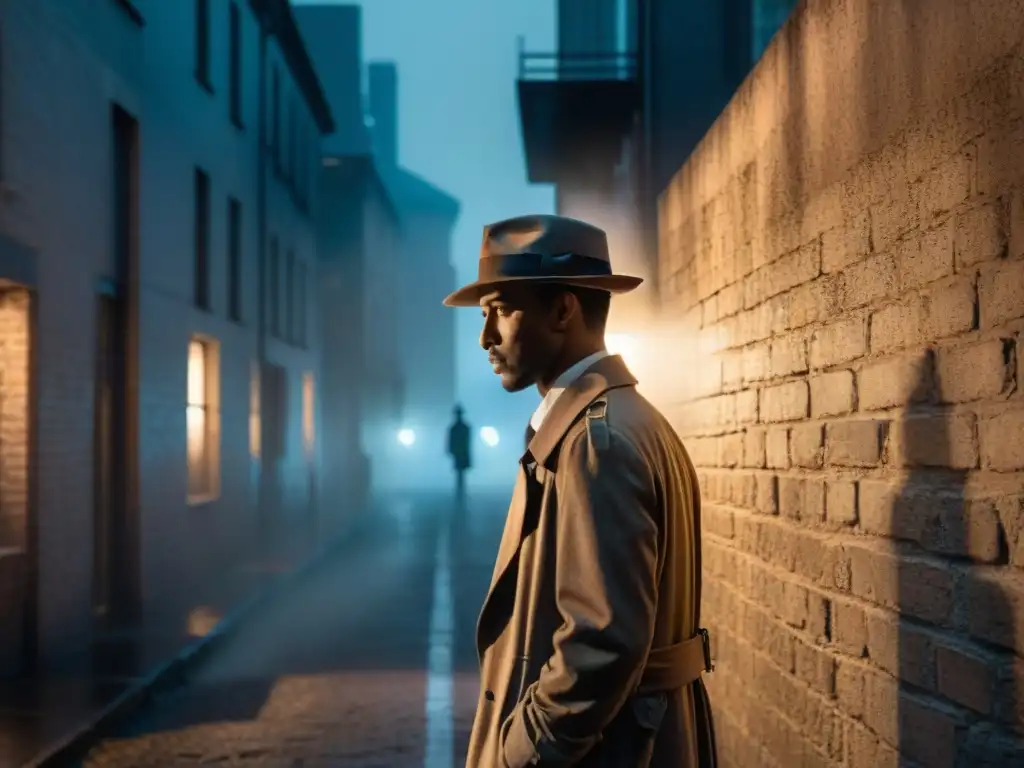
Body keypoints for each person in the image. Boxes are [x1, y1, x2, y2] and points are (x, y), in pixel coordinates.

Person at [442, 214, 716, 768]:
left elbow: (602, 642)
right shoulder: (624, 420)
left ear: (563, 309)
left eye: (500, 309)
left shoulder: (599, 440)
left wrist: (524, 750)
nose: (485, 336)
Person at [447, 404, 472, 501]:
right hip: (461, 453)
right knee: (461, 473)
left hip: (460, 453)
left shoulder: (455, 427)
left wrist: (450, 450)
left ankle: (460, 492)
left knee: (460, 473)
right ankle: (461, 492)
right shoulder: (464, 427)